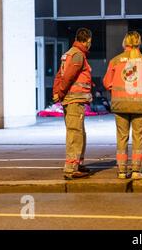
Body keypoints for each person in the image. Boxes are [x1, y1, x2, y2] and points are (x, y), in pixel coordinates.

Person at [103, 31, 142, 180]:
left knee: (122, 138)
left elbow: (107, 83)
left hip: (120, 105)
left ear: (124, 42)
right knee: (138, 138)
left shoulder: (115, 61)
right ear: (139, 42)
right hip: (140, 105)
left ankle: (121, 171)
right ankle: (136, 171)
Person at [53, 28, 93, 180]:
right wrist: (61, 93)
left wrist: (57, 92)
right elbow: (68, 77)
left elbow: (59, 75)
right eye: (90, 42)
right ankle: (71, 168)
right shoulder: (77, 54)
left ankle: (78, 163)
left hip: (72, 99)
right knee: (75, 133)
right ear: (87, 40)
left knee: (79, 132)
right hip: (74, 99)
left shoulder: (69, 53)